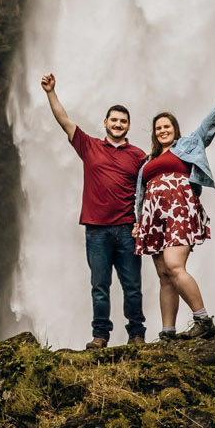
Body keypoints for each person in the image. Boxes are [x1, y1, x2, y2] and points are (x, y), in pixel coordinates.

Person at [134, 79, 215, 341]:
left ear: (175, 130)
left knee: (174, 266)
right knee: (164, 276)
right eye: (158, 128)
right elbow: (139, 196)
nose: (163, 131)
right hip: (154, 218)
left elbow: (211, 122)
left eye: (167, 126)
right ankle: (167, 332)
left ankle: (203, 319)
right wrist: (138, 222)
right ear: (154, 134)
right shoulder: (147, 162)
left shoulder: (188, 144)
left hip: (179, 211)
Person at [41, 73, 148, 349]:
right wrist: (51, 92)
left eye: (123, 121)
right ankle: (100, 336)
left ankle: (137, 335)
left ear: (128, 126)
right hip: (96, 230)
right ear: (105, 123)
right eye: (114, 120)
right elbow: (63, 120)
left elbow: (152, 188)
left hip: (127, 229)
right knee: (100, 288)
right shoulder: (89, 146)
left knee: (132, 288)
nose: (118, 124)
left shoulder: (138, 156)